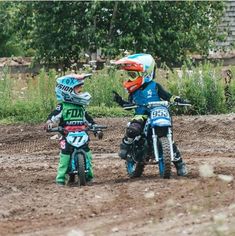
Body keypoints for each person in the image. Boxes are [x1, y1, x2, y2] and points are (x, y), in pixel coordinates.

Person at [112, 53, 187, 176]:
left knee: (169, 139)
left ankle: (180, 164)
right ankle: (125, 146)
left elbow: (168, 96)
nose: (130, 79)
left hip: (158, 113)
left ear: (146, 73)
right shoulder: (134, 92)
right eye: (130, 75)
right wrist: (121, 102)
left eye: (133, 75)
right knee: (133, 129)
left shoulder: (155, 86)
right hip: (141, 115)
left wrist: (178, 100)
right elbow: (129, 105)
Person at [45, 74, 103, 186]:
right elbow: (53, 116)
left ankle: (89, 176)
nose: (81, 91)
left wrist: (96, 129)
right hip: (66, 134)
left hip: (82, 133)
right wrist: (49, 123)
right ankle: (61, 179)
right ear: (67, 90)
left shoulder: (81, 107)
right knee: (65, 156)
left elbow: (88, 120)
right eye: (78, 88)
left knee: (88, 154)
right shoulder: (62, 106)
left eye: (81, 88)